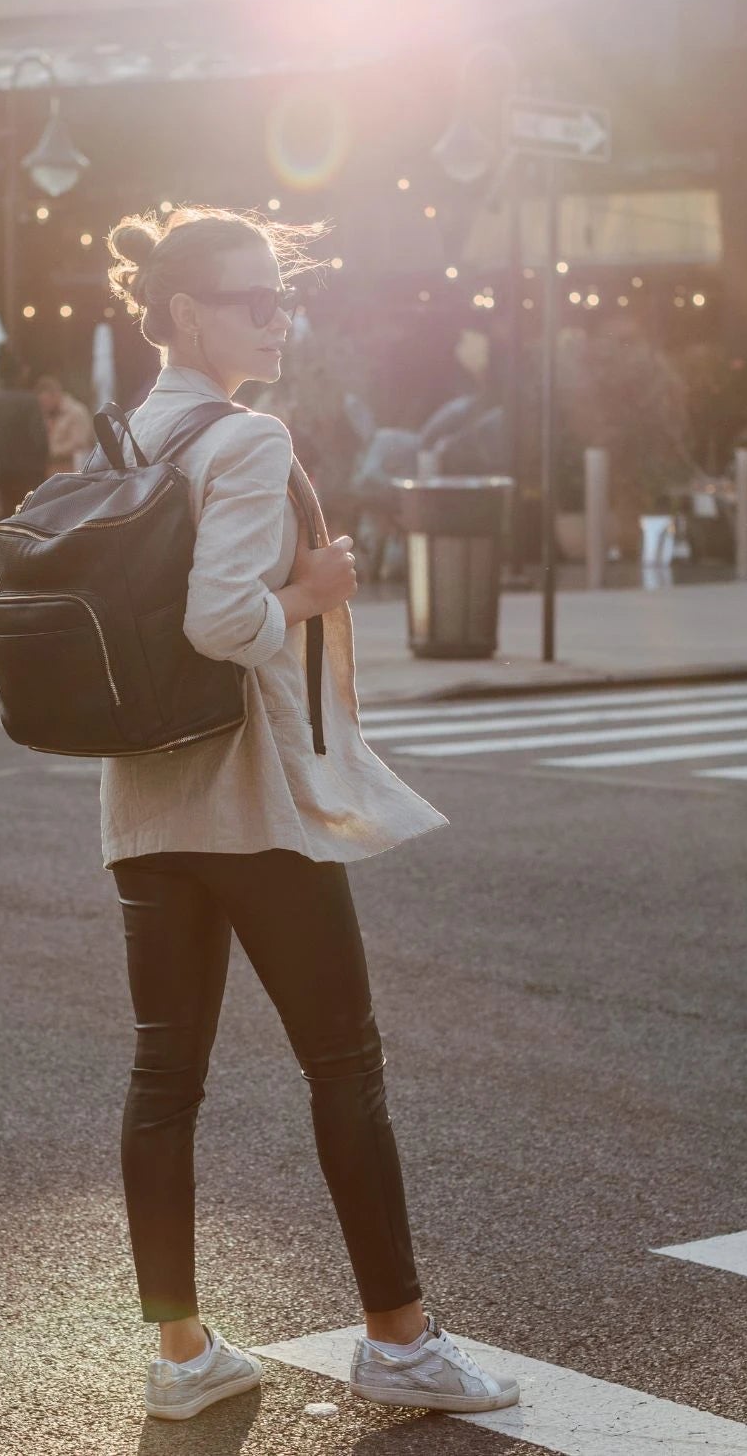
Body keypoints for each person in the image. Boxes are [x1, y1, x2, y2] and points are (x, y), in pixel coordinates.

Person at [100, 205, 521, 1422]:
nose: (275, 318)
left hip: (146, 801)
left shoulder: (127, 432)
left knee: (163, 1081)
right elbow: (220, 623)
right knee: (345, 1068)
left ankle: (179, 1354)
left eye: (279, 297)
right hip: (255, 804)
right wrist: (313, 585)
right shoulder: (241, 439)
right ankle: (397, 1338)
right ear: (185, 313)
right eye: (251, 300)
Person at [0, 344, 49, 517]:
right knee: (31, 518)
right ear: (20, 374)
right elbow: (41, 441)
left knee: (7, 518)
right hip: (29, 472)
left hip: (3, 472)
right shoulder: (30, 402)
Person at [34, 373, 93, 481]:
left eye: (45, 402)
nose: (43, 406)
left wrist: (49, 452)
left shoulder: (76, 412)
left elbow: (79, 443)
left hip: (72, 472)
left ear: (56, 395)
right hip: (50, 473)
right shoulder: (46, 413)